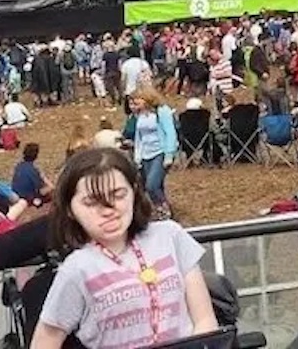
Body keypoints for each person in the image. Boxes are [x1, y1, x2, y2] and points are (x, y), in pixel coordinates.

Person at [30, 148, 218, 349]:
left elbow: (205, 321)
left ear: (134, 192)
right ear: (70, 210)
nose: (108, 211)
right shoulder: (76, 269)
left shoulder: (170, 236)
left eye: (118, 195)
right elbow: (46, 340)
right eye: (92, 203)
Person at [131, 87, 178, 218]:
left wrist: (169, 154)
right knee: (156, 186)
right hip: (145, 154)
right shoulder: (139, 115)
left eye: (137, 102)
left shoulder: (161, 111)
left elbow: (170, 132)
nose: (134, 105)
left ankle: (164, 208)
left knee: (151, 184)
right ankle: (160, 209)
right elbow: (139, 137)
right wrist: (137, 156)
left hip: (160, 152)